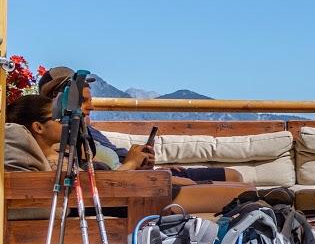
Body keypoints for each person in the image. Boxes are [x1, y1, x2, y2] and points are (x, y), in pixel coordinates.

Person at [37, 66, 241, 183]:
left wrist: (145, 162)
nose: (91, 107)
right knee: (233, 183)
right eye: (82, 100)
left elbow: (119, 158)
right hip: (133, 183)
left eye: (90, 100)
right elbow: (98, 178)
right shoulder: (64, 139)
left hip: (140, 176)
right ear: (58, 101)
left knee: (234, 176)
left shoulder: (89, 132)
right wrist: (134, 165)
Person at [5, 94, 60, 171]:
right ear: (38, 127)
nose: (66, 122)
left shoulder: (59, 154)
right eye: (59, 119)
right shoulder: (55, 163)